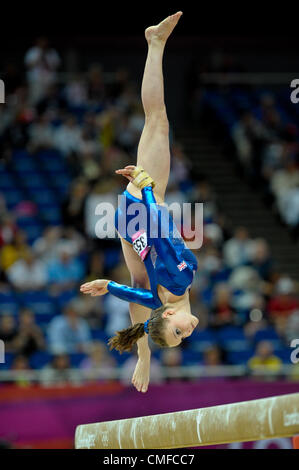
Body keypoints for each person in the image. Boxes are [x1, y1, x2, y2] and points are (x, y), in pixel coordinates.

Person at [80, 12, 199, 393]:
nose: (188, 332)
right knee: (136, 280)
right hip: (130, 225)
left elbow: (164, 225)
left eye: (179, 332)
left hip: (142, 211)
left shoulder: (183, 277)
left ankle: (155, 42)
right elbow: (129, 294)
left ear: (169, 313)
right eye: (182, 337)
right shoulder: (158, 297)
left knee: (158, 120)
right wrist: (104, 285)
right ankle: (144, 356)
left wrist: (146, 186)